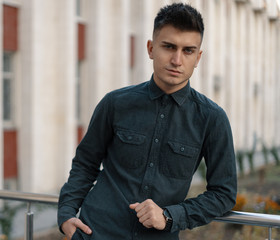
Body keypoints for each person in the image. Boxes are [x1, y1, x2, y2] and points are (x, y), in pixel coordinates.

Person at [58, 3, 237, 240]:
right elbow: (85, 163)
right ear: (151, 48)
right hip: (95, 233)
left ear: (198, 57)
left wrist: (171, 216)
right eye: (169, 47)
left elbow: (223, 193)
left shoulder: (212, 119)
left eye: (188, 51)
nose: (176, 60)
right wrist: (66, 214)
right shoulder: (115, 103)